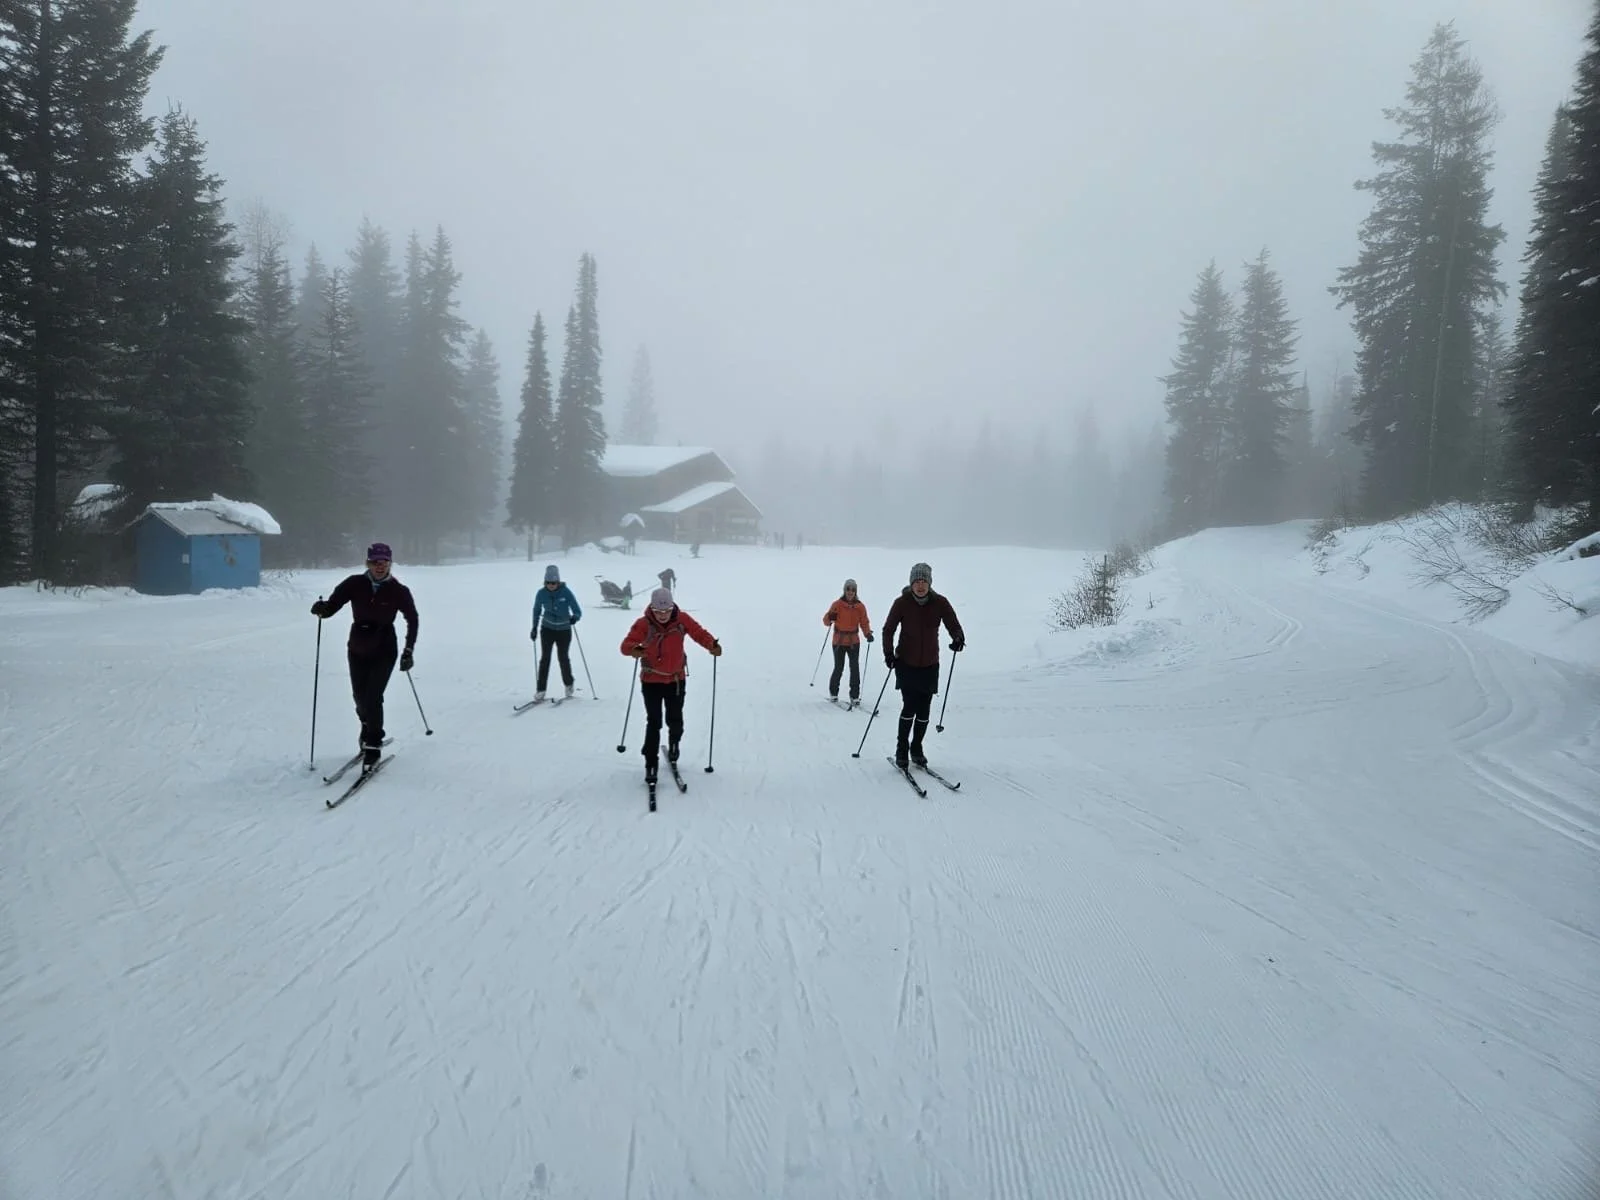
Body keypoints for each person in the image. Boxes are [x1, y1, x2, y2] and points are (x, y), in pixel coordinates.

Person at [311, 542, 419, 767]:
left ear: (390, 563)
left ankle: (373, 743)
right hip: (358, 647)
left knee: (373, 697)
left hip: (385, 647)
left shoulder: (399, 591)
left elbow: (412, 619)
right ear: (367, 563)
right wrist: (322, 609)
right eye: (375, 562)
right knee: (360, 698)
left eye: (384, 562)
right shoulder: (354, 584)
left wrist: (408, 650)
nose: (380, 566)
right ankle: (367, 725)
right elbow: (332, 606)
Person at [620, 586, 721, 781]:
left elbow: (698, 633)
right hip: (651, 681)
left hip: (676, 680)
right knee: (654, 722)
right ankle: (650, 762)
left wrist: (712, 645)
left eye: (666, 611)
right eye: (658, 611)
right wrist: (634, 650)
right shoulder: (643, 624)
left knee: (675, 720)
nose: (663, 615)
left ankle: (674, 745)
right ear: (652, 608)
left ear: (672, 607)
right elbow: (625, 645)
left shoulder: (682, 620)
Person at [881, 562, 964, 769]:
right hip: (906, 663)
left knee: (924, 710)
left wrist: (958, 638)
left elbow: (953, 624)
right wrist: (889, 654)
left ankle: (916, 748)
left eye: (924, 581)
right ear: (911, 583)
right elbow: (888, 630)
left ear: (929, 583)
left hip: (929, 664)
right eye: (917, 581)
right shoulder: (902, 602)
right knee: (909, 705)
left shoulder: (940, 603)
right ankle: (902, 749)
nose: (920, 585)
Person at [531, 564, 583, 701]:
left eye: (553, 582)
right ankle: (541, 690)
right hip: (547, 629)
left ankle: (569, 683)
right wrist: (534, 628)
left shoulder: (566, 592)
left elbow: (577, 609)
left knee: (563, 658)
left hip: (564, 631)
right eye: (548, 582)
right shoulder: (541, 593)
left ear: (558, 582)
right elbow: (536, 611)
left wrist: (575, 618)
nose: (551, 585)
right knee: (545, 659)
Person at [822, 578, 874, 705]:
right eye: (848, 589)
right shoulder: (837, 605)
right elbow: (826, 621)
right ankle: (833, 693)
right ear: (844, 590)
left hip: (853, 641)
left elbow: (864, 621)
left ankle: (854, 696)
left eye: (853, 590)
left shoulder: (860, 607)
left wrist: (867, 633)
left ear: (856, 591)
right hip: (839, 641)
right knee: (839, 668)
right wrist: (830, 617)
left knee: (854, 668)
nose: (850, 592)